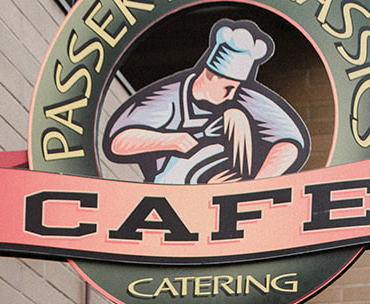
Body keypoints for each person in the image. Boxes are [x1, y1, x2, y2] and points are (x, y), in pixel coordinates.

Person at [102, 19, 310, 185]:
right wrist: (174, 140)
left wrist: (256, 185)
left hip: (225, 190)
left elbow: (290, 142)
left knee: (235, 116)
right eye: (228, 88)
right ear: (210, 75)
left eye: (235, 89)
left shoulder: (240, 95)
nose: (231, 96)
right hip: (172, 189)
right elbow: (118, 141)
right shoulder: (169, 96)